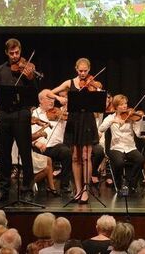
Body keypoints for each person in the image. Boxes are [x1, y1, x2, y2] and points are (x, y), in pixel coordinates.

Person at [49, 58, 101, 203]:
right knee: (75, 157)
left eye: (85, 71)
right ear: (76, 69)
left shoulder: (92, 84)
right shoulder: (69, 83)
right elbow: (47, 93)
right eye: (80, 70)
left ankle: (86, 189)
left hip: (88, 121)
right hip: (74, 121)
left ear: (89, 70)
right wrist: (59, 98)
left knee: (86, 156)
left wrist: (96, 90)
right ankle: (78, 190)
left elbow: (99, 103)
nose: (83, 73)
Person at [0, 38, 37, 202]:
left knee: (25, 153)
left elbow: (33, 94)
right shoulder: (0, 70)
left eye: (17, 52)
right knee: (4, 154)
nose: (15, 56)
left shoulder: (28, 70)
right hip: (4, 115)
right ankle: (3, 189)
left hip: (21, 114)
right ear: (6, 53)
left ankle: (27, 189)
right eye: (12, 53)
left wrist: (30, 78)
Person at [98, 94, 145, 192]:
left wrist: (139, 122)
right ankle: (118, 184)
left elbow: (138, 134)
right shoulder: (110, 117)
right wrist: (113, 121)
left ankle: (131, 183)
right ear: (116, 107)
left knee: (140, 159)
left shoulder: (131, 118)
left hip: (130, 147)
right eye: (121, 104)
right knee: (119, 163)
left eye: (126, 104)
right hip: (116, 147)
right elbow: (101, 129)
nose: (125, 106)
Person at [31, 89, 72, 194]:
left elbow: (69, 123)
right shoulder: (34, 114)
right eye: (48, 98)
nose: (52, 101)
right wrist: (37, 143)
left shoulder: (58, 112)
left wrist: (66, 109)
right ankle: (41, 183)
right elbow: (30, 134)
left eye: (53, 99)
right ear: (40, 100)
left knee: (66, 152)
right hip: (39, 147)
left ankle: (65, 185)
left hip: (56, 147)